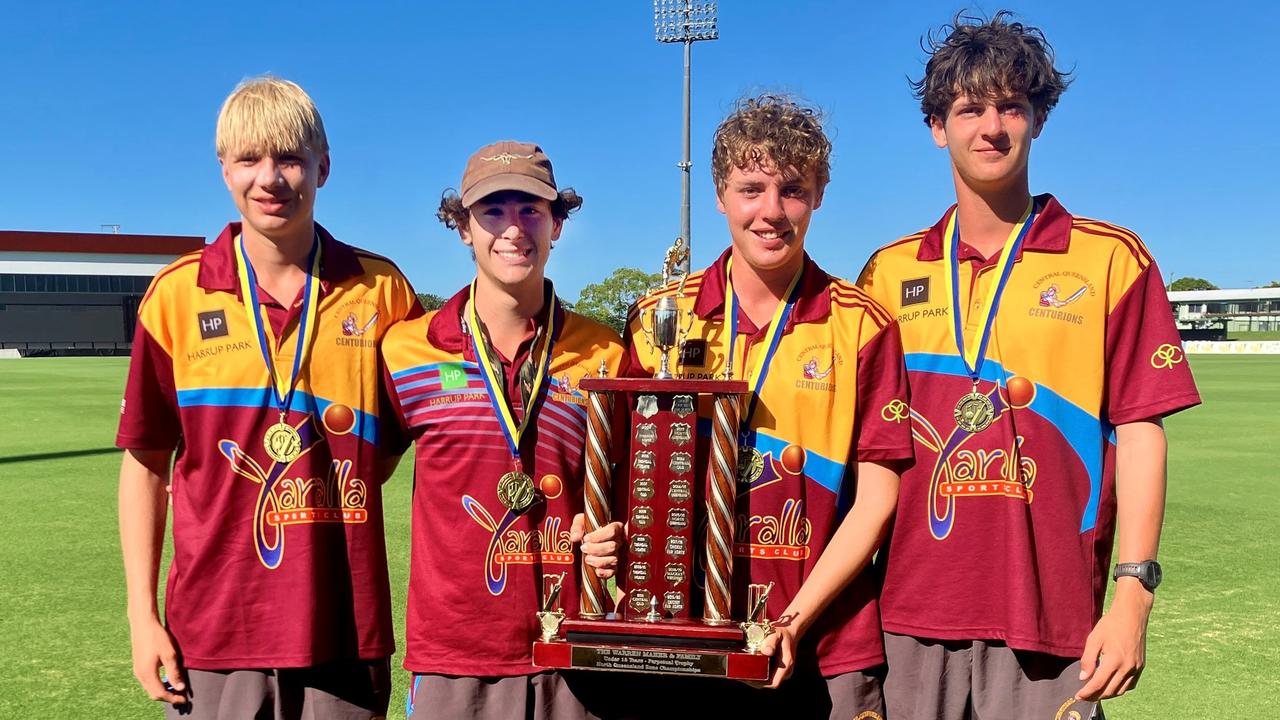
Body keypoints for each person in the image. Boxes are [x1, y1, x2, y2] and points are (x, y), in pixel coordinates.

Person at [856, 12, 1201, 719]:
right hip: (908, 617)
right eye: (969, 108)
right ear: (936, 127)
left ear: (1038, 118)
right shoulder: (886, 275)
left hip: (1054, 620)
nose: (991, 127)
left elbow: (1140, 433)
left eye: (1011, 105)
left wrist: (1133, 592)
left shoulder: (1110, 260)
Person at [116, 76, 421, 718]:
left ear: (323, 167)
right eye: (250, 159)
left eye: (289, 158)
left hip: (344, 624)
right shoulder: (175, 295)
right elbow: (145, 464)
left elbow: (393, 447)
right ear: (224, 168)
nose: (271, 179)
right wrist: (142, 617)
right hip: (214, 629)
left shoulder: (383, 292)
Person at [623, 94, 912, 719]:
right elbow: (626, 480)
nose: (772, 212)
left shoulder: (863, 324)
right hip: (684, 635)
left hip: (828, 642)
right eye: (751, 189)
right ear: (720, 195)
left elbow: (878, 498)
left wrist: (791, 621)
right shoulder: (655, 321)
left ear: (820, 194)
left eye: (793, 190)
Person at [380, 141, 625, 719]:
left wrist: (613, 531)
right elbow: (361, 474)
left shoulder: (607, 354)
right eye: (493, 211)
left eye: (531, 210)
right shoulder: (406, 348)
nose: (513, 230)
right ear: (463, 227)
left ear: (557, 224)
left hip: (575, 649)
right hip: (453, 658)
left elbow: (634, 490)